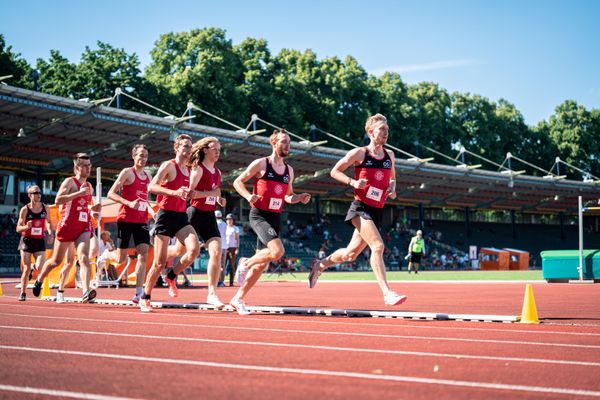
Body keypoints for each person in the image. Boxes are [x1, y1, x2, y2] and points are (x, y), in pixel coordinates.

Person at [308, 113, 407, 306]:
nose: (386, 133)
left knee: (349, 255)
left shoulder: (390, 156)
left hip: (377, 210)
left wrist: (392, 188)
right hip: (360, 208)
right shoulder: (360, 153)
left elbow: (392, 178)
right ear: (370, 132)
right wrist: (353, 182)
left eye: (387, 129)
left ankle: (320, 264)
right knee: (378, 246)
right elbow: (334, 171)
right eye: (382, 129)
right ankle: (387, 293)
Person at [230, 129, 311, 315]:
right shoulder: (261, 164)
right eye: (283, 142)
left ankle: (238, 298)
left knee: (261, 265)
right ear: (273, 143)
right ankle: (245, 262)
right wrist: (248, 196)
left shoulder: (289, 171)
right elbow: (237, 182)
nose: (287, 145)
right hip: (259, 215)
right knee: (277, 252)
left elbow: (288, 197)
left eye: (289, 142)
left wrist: (300, 198)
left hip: (275, 217)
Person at [138, 134, 200, 312]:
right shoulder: (168, 166)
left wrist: (192, 194)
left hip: (181, 216)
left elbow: (188, 192)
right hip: (165, 216)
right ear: (177, 148)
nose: (188, 150)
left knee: (194, 248)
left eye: (190, 147)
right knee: (159, 263)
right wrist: (174, 192)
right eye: (185, 146)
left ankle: (172, 276)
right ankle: (145, 296)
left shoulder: (190, 170)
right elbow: (151, 187)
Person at [166, 136, 226, 308]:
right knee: (180, 250)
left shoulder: (218, 172)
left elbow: (216, 193)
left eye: (219, 150)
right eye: (214, 149)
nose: (217, 152)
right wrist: (211, 194)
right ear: (205, 150)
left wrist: (219, 200)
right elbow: (189, 194)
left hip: (209, 216)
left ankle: (212, 294)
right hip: (194, 213)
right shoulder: (197, 169)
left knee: (216, 253)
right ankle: (164, 263)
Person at [32, 153, 100, 303]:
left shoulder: (89, 186)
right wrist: (78, 193)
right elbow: (58, 200)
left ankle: (85, 291)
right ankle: (39, 280)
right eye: (85, 165)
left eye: (90, 165)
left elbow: (87, 206)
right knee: (55, 261)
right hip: (67, 226)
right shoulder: (70, 182)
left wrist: (94, 211)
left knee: (83, 257)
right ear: (77, 167)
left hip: (82, 227)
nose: (88, 168)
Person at [101, 144, 154, 303]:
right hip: (125, 219)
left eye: (145, 156)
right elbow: (110, 193)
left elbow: (145, 199)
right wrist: (128, 203)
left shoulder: (149, 177)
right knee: (120, 259)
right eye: (140, 155)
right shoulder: (127, 172)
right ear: (133, 156)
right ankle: (106, 255)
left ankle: (139, 293)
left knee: (143, 255)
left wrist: (152, 211)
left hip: (142, 220)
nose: (143, 158)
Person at [16, 185, 54, 301]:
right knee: (26, 269)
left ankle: (36, 276)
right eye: (35, 193)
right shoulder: (25, 209)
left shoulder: (45, 207)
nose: (38, 195)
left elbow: (48, 222)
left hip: (39, 241)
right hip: (27, 241)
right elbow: (18, 228)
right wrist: (26, 227)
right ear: (29, 195)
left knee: (40, 267)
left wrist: (50, 233)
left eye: (39, 193)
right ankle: (23, 293)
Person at [223, 213, 240, 286]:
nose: (229, 221)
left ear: (233, 220)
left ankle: (231, 281)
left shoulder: (235, 228)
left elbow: (237, 239)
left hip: (232, 248)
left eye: (230, 219)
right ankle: (221, 281)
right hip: (224, 248)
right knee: (222, 265)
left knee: (231, 265)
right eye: (227, 219)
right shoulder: (225, 228)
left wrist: (237, 248)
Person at [215, 210, 227, 287]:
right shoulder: (224, 224)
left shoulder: (215, 223)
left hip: (218, 245)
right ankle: (222, 281)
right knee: (223, 264)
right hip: (225, 246)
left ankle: (218, 280)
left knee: (217, 264)